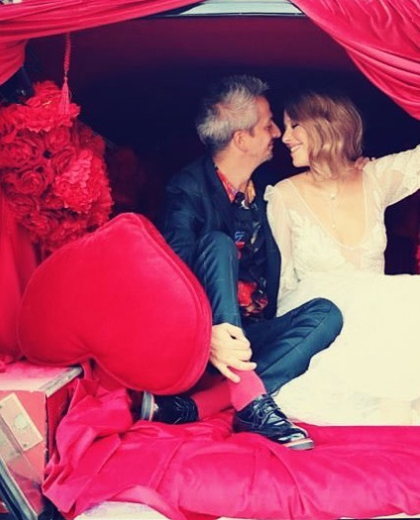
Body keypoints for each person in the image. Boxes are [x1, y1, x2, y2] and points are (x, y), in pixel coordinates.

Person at [145, 75, 343, 450]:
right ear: (241, 139)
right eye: (268, 125)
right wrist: (208, 337)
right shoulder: (185, 190)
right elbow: (170, 279)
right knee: (218, 244)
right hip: (204, 342)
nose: (277, 133)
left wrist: (357, 169)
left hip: (253, 339)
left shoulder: (271, 184)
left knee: (327, 314)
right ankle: (251, 400)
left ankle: (206, 406)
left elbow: (327, 182)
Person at [265, 90, 420, 426]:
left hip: (379, 325)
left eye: (294, 125)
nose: (285, 138)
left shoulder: (375, 178)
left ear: (326, 126)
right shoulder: (283, 195)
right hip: (327, 326)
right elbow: (283, 285)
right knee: (398, 296)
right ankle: (400, 417)